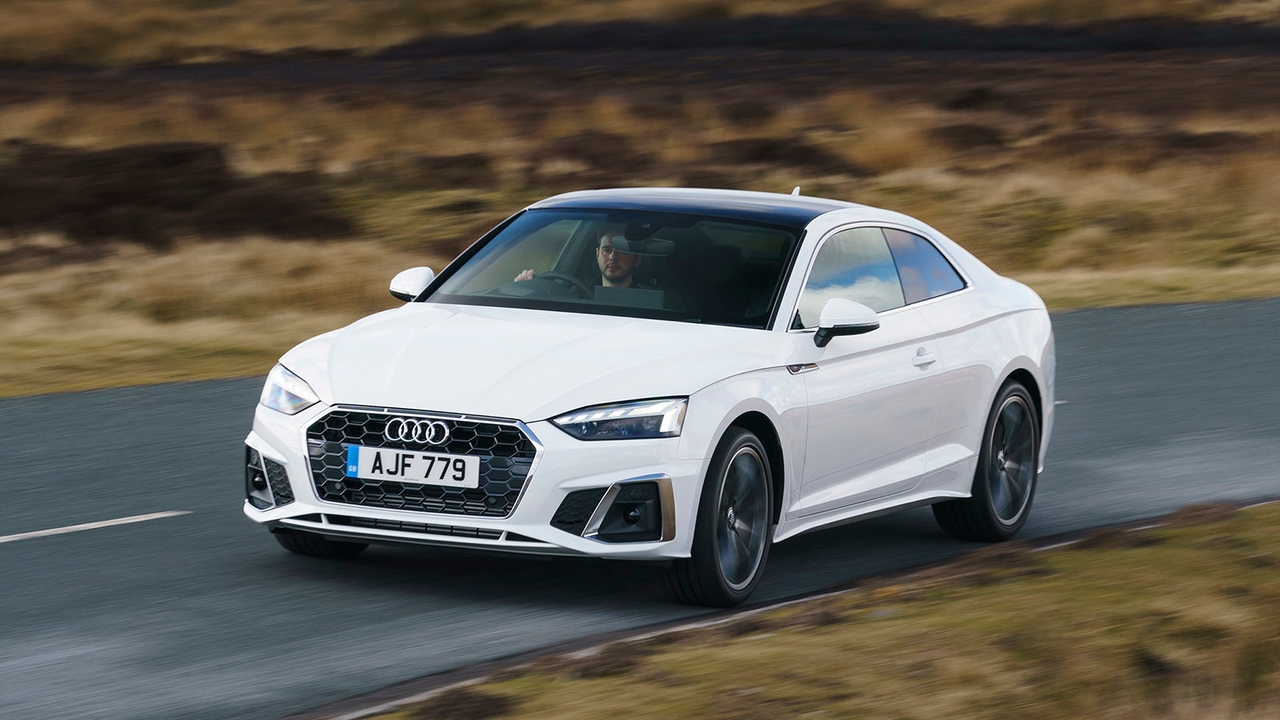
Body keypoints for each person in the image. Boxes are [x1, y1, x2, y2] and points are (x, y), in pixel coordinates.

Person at [515, 231, 642, 288]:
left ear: (636, 260)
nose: (613, 257)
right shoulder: (575, 296)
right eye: (607, 250)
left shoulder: (650, 301)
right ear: (597, 255)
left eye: (621, 251)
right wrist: (526, 286)